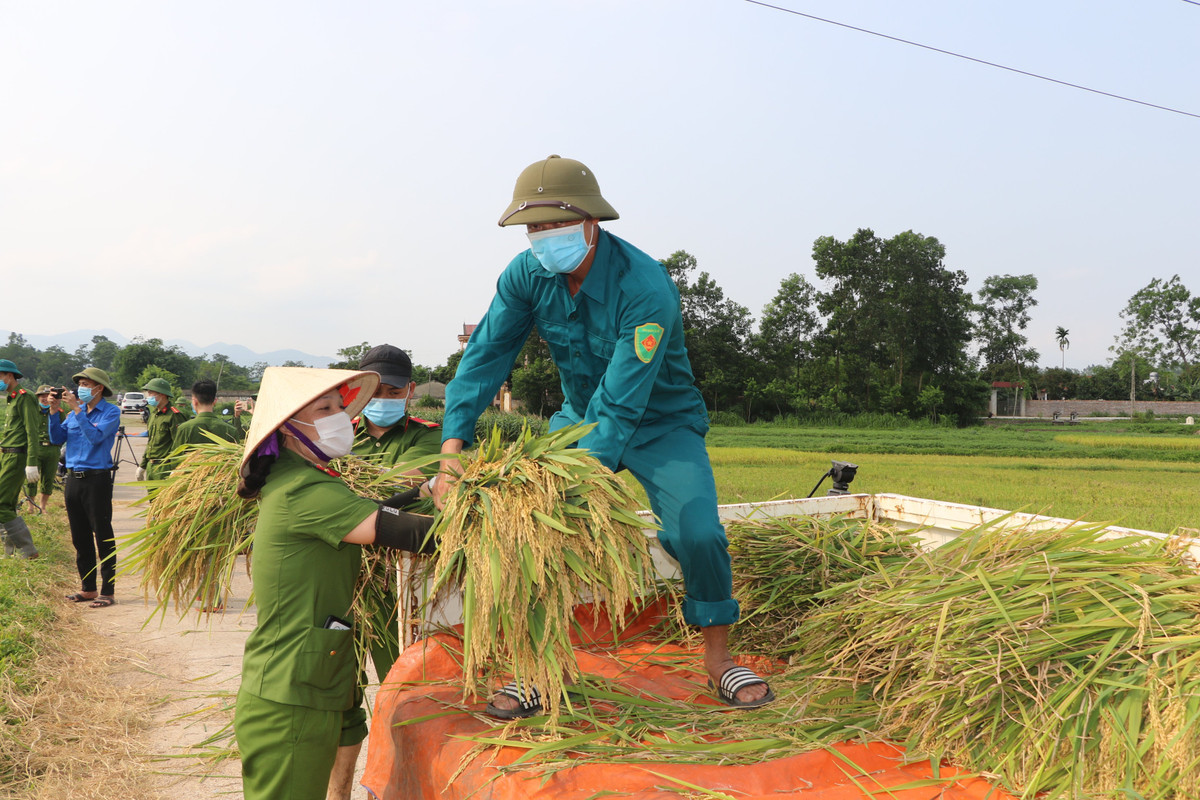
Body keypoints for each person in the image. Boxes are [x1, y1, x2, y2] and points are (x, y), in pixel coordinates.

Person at [432, 155, 774, 715]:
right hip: (581, 414)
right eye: (533, 227)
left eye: (554, 225)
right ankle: (537, 666)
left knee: (697, 532)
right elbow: (484, 358)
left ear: (591, 222)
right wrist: (451, 450)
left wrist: (560, 479)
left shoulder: (645, 286)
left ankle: (717, 657)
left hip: (660, 423)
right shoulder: (527, 275)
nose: (542, 238)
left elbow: (623, 402)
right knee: (535, 528)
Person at [233, 367, 436, 800]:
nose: (339, 418)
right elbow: (414, 535)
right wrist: (489, 517)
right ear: (287, 430)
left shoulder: (303, 481)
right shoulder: (303, 492)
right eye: (324, 409)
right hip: (290, 695)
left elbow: (369, 512)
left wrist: (423, 489)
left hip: (305, 682)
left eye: (340, 407)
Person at [323, 344, 443, 800]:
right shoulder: (337, 432)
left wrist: (345, 494)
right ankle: (339, 792)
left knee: (404, 686)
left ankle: (393, 787)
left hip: (400, 582)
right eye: (376, 389)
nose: (385, 397)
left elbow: (395, 493)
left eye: (394, 390)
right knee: (340, 693)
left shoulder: (429, 437)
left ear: (410, 392)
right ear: (358, 390)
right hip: (341, 575)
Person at [48, 368, 121, 608]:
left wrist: (78, 410)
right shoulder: (73, 414)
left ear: (99, 388)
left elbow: (96, 438)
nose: (80, 388)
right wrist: (54, 411)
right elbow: (58, 438)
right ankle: (88, 588)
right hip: (73, 480)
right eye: (79, 384)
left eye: (85, 384)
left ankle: (107, 591)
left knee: (102, 534)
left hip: (96, 480)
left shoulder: (110, 412)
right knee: (80, 537)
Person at [0, 359, 41, 558]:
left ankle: (27, 549)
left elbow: (32, 432)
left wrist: (32, 462)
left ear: (9, 376)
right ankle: (12, 551)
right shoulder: (12, 398)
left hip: (17, 456)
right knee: (6, 505)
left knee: (1, 504)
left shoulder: (25, 397)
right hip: (7, 455)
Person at [137, 377, 189, 480]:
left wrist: (175, 468)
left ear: (162, 394)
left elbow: (179, 444)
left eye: (151, 393)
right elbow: (151, 442)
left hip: (165, 467)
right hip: (151, 467)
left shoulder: (174, 415)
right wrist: (142, 466)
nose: (149, 396)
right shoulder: (154, 415)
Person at [27, 385, 66, 514]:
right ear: (37, 397)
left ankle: (43, 507)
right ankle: (31, 506)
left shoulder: (58, 412)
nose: (45, 399)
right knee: (32, 478)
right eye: (42, 396)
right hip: (36, 448)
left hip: (52, 449)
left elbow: (63, 430)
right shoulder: (32, 411)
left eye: (47, 396)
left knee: (48, 479)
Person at [172, 379, 239, 452]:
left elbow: (175, 459)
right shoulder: (231, 431)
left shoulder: (184, 429)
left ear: (194, 401)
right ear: (215, 401)